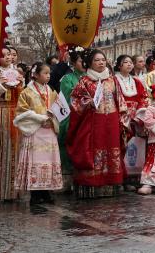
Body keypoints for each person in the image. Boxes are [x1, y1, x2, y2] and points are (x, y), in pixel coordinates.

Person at [67, 49, 129, 199]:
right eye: (97, 60)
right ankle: (93, 183)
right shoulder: (85, 81)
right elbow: (75, 101)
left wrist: (123, 118)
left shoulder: (112, 80)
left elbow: (120, 100)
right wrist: (87, 103)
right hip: (94, 122)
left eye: (103, 59)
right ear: (90, 63)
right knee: (95, 148)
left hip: (112, 120)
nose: (101, 62)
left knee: (112, 147)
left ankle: (111, 183)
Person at [13, 63, 63, 204]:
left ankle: (47, 191)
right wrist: (39, 118)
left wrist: (53, 116)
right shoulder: (26, 92)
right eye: (45, 73)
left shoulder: (51, 91)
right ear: (35, 75)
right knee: (35, 161)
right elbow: (21, 112)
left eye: (49, 73)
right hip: (35, 130)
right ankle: (35, 193)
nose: (48, 76)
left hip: (49, 130)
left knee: (49, 161)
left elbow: (57, 107)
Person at [114, 54, 150, 191]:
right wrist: (124, 115)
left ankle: (133, 179)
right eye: (125, 62)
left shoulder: (137, 81)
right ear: (119, 65)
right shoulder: (114, 81)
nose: (129, 64)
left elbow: (144, 98)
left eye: (130, 62)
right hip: (120, 119)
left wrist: (139, 114)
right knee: (121, 148)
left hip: (135, 119)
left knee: (136, 148)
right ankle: (121, 179)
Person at [58, 46, 87, 191]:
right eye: (82, 61)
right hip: (73, 117)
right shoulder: (67, 79)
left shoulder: (92, 77)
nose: (84, 64)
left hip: (88, 118)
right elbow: (66, 99)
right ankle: (67, 177)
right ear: (74, 63)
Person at [0, 45, 23, 201]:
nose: (9, 57)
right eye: (5, 55)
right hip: (0, 112)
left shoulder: (17, 72)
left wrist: (21, 84)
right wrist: (0, 85)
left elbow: (24, 97)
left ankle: (12, 191)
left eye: (10, 54)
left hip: (14, 113)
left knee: (14, 149)